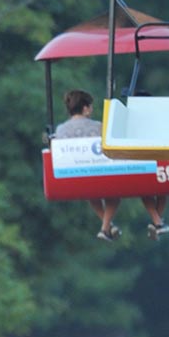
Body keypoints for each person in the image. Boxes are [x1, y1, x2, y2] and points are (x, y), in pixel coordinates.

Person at [55, 89, 122, 241]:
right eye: (90, 107)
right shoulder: (98, 127)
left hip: (73, 176)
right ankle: (105, 227)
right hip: (98, 172)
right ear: (85, 108)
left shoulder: (60, 130)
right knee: (114, 194)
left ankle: (107, 227)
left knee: (91, 193)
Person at [133, 90, 169, 239]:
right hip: (148, 161)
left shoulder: (133, 120)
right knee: (160, 189)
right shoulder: (157, 122)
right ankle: (157, 222)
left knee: (149, 188)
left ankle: (157, 221)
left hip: (144, 161)